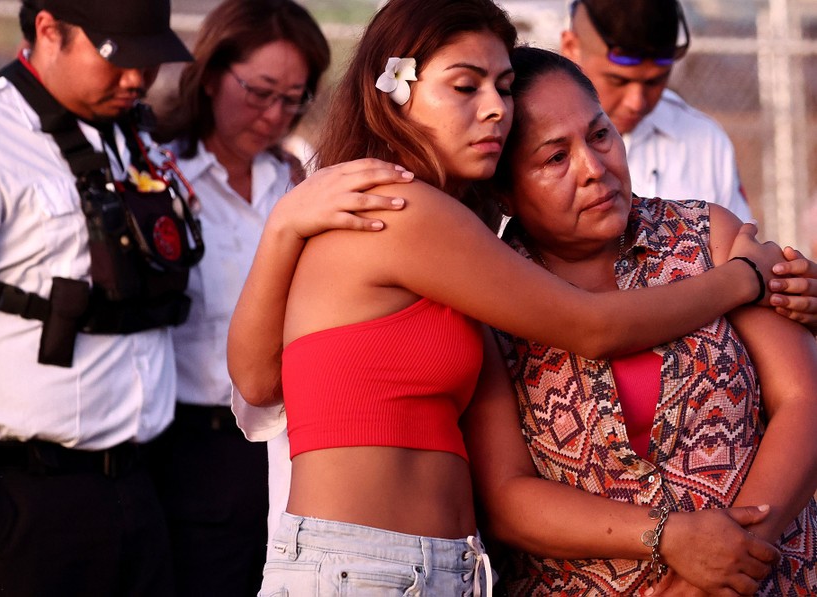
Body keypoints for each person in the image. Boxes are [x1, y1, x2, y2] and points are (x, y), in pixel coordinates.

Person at [225, 0, 786, 593]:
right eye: (465, 86)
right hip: (367, 567)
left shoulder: (446, 231)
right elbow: (591, 327)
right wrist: (743, 278)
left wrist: (286, 226)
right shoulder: (401, 207)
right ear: (394, 91)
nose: (496, 108)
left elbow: (261, 384)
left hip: (427, 567)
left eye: (505, 86)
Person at [464, 46, 817, 596]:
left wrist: (730, 560)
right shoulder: (493, 295)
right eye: (555, 158)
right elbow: (506, 496)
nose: (594, 168)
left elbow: (804, 401)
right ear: (505, 189)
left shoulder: (709, 238)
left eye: (600, 135)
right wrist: (669, 539)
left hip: (767, 576)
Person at [0, 0, 199, 594]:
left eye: (149, 61)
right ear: (49, 29)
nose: (135, 79)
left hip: (135, 487)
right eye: (117, 59)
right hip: (19, 496)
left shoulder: (131, 135)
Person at [148, 1, 333, 594]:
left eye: (293, 98)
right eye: (259, 92)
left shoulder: (297, 179)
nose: (274, 114)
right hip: (189, 443)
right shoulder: (157, 173)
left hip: (286, 443)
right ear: (209, 73)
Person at [561, 0, 753, 223]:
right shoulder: (529, 132)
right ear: (571, 48)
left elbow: (742, 243)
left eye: (655, 81)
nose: (637, 102)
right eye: (618, 80)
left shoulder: (705, 140)